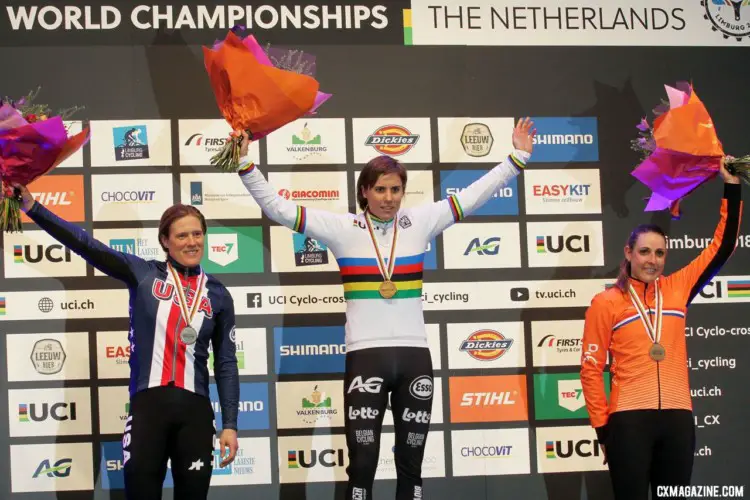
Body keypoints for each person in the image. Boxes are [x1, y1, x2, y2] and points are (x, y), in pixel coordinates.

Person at [234, 118, 536, 499]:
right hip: (366, 357)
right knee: (362, 463)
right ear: (365, 191)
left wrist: (517, 158)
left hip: (414, 358)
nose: (389, 198)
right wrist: (245, 165)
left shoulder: (421, 222)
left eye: (396, 190)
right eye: (380, 189)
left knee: (412, 464)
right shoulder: (341, 228)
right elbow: (278, 208)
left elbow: (473, 196)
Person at [15, 184, 240, 500]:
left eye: (197, 234)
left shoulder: (218, 294)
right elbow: (86, 245)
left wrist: (230, 424)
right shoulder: (143, 273)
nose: (191, 242)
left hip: (196, 412)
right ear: (165, 241)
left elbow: (227, 363)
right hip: (149, 407)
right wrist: (32, 207)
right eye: (182, 235)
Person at [579, 159, 742, 500]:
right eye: (645, 252)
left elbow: (721, 247)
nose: (652, 260)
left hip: (677, 420)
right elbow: (591, 370)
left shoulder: (679, 287)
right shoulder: (606, 302)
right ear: (629, 253)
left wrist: (731, 188)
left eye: (660, 253)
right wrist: (604, 430)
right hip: (628, 422)